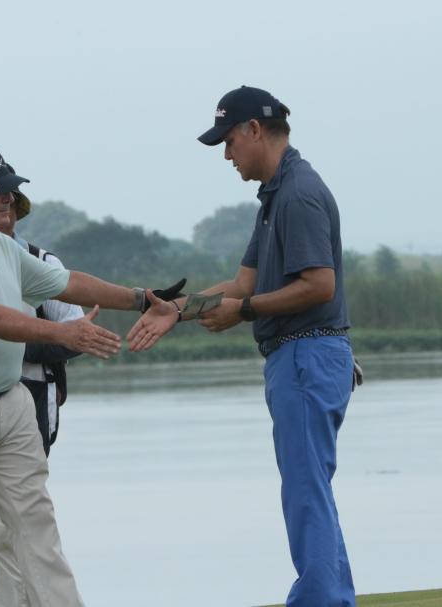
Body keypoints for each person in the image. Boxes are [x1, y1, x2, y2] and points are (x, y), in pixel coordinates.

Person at [0, 143, 181, 607]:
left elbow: (66, 281)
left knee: (36, 528)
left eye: (10, 189)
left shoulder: (2, 246)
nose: (8, 199)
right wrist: (62, 333)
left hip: (9, 404)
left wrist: (140, 297)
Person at [129, 86, 356, 606]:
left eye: (229, 141)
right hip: (301, 358)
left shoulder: (297, 193)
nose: (227, 155)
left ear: (255, 130)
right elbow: (241, 285)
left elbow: (319, 286)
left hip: (305, 356)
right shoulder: (276, 195)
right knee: (310, 492)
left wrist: (245, 313)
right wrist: (177, 311)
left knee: (305, 495)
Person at [0, 189, 81, 607]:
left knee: (7, 533)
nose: (6, 216)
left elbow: (74, 336)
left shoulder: (42, 264)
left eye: (13, 208)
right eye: (0, 207)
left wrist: (11, 343)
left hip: (31, 400)